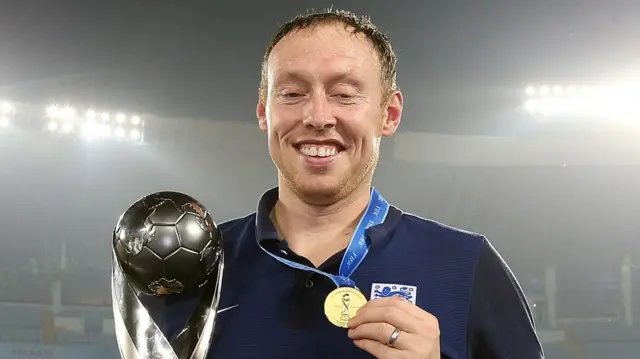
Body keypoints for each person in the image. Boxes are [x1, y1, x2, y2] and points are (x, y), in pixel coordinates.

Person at [156, 9, 544, 359]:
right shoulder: (198, 268)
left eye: (344, 94)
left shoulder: (466, 265)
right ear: (264, 112)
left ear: (388, 114)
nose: (318, 116)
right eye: (292, 93)